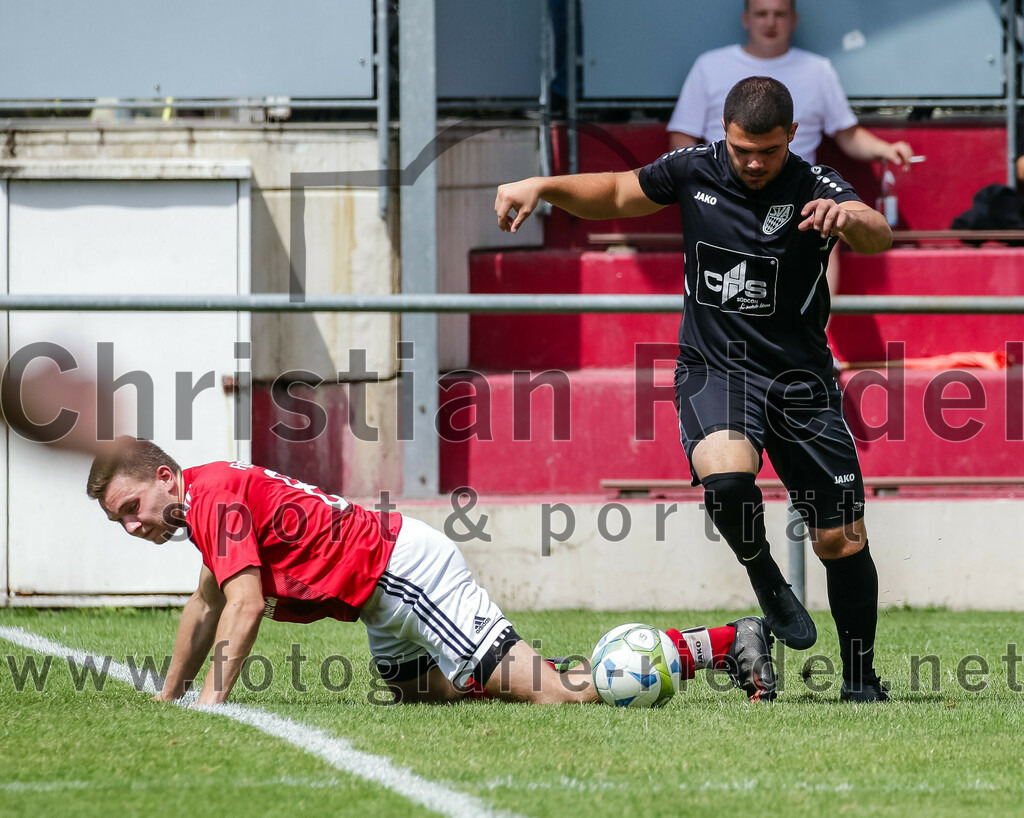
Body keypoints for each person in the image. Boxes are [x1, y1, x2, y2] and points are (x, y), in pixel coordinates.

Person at [495, 77, 892, 702]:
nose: (754, 162)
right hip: (716, 369)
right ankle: (765, 578)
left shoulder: (817, 186)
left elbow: (877, 231)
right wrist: (542, 187)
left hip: (802, 381)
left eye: (767, 149)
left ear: (792, 135)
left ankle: (862, 680)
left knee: (841, 538)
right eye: (741, 150)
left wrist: (847, 219)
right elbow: (620, 192)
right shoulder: (693, 168)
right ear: (724, 136)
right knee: (727, 477)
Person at [86, 437, 778, 705]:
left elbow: (242, 605)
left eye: (132, 507)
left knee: (557, 697)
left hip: (401, 575)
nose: (133, 524)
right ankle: (509, 667)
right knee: (424, 695)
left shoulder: (210, 497)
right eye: (120, 519)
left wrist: (211, 704)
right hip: (379, 597)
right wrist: (166, 696)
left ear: (165, 478)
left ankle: (724, 642)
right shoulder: (204, 495)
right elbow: (204, 606)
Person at [667, 0, 913, 167]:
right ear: (746, 19)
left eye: (780, 14)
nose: (770, 22)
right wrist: (703, 180)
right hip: (726, 194)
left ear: (793, 20)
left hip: (799, 200)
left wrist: (887, 150)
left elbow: (847, 135)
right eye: (762, 14)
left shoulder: (818, 70)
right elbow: (683, 134)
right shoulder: (709, 66)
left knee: (828, 235)